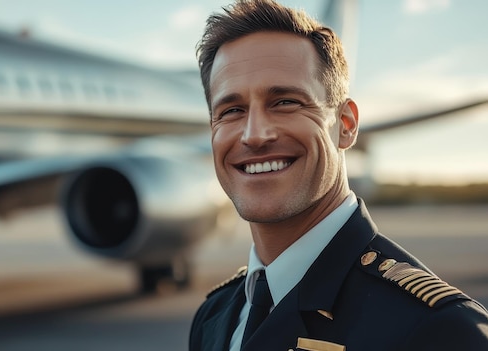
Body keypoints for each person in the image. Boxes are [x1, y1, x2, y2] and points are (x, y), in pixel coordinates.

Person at [188, 1, 488, 350]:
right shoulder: (214, 316)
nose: (254, 134)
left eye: (285, 102)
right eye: (232, 110)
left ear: (346, 125)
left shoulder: (441, 331)